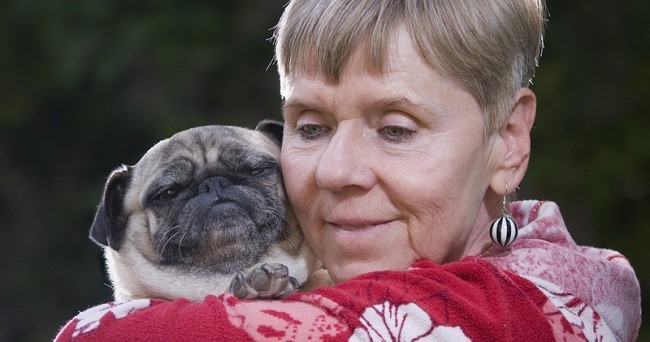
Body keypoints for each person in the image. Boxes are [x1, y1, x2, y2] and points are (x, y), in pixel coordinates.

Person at [55, 0, 641, 341]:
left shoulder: (545, 303)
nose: (337, 171)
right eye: (309, 127)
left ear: (508, 141)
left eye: (395, 129)